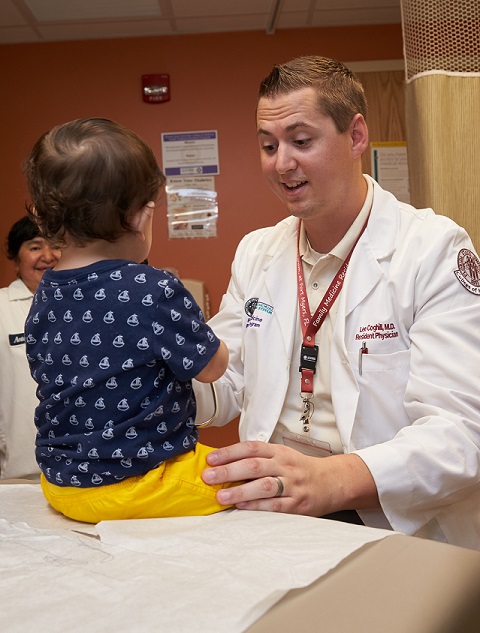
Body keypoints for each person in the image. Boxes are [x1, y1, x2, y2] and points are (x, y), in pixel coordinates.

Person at [195, 55, 480, 550]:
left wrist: (330, 480)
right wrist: (155, 369)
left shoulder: (432, 249)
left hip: (390, 518)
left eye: (301, 141)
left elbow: (462, 433)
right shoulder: (257, 252)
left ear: (356, 137)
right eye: (268, 145)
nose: (281, 162)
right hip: (277, 511)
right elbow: (227, 385)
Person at [23, 117, 233, 523]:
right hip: (138, 483)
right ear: (140, 217)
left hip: (61, 483)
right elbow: (213, 368)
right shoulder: (153, 288)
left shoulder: (45, 292)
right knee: (258, 474)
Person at [0, 216, 60, 480]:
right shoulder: (3, 308)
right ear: (16, 258)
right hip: (18, 470)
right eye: (35, 247)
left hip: (81, 465)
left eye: (55, 245)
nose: (47, 256)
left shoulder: (86, 307)